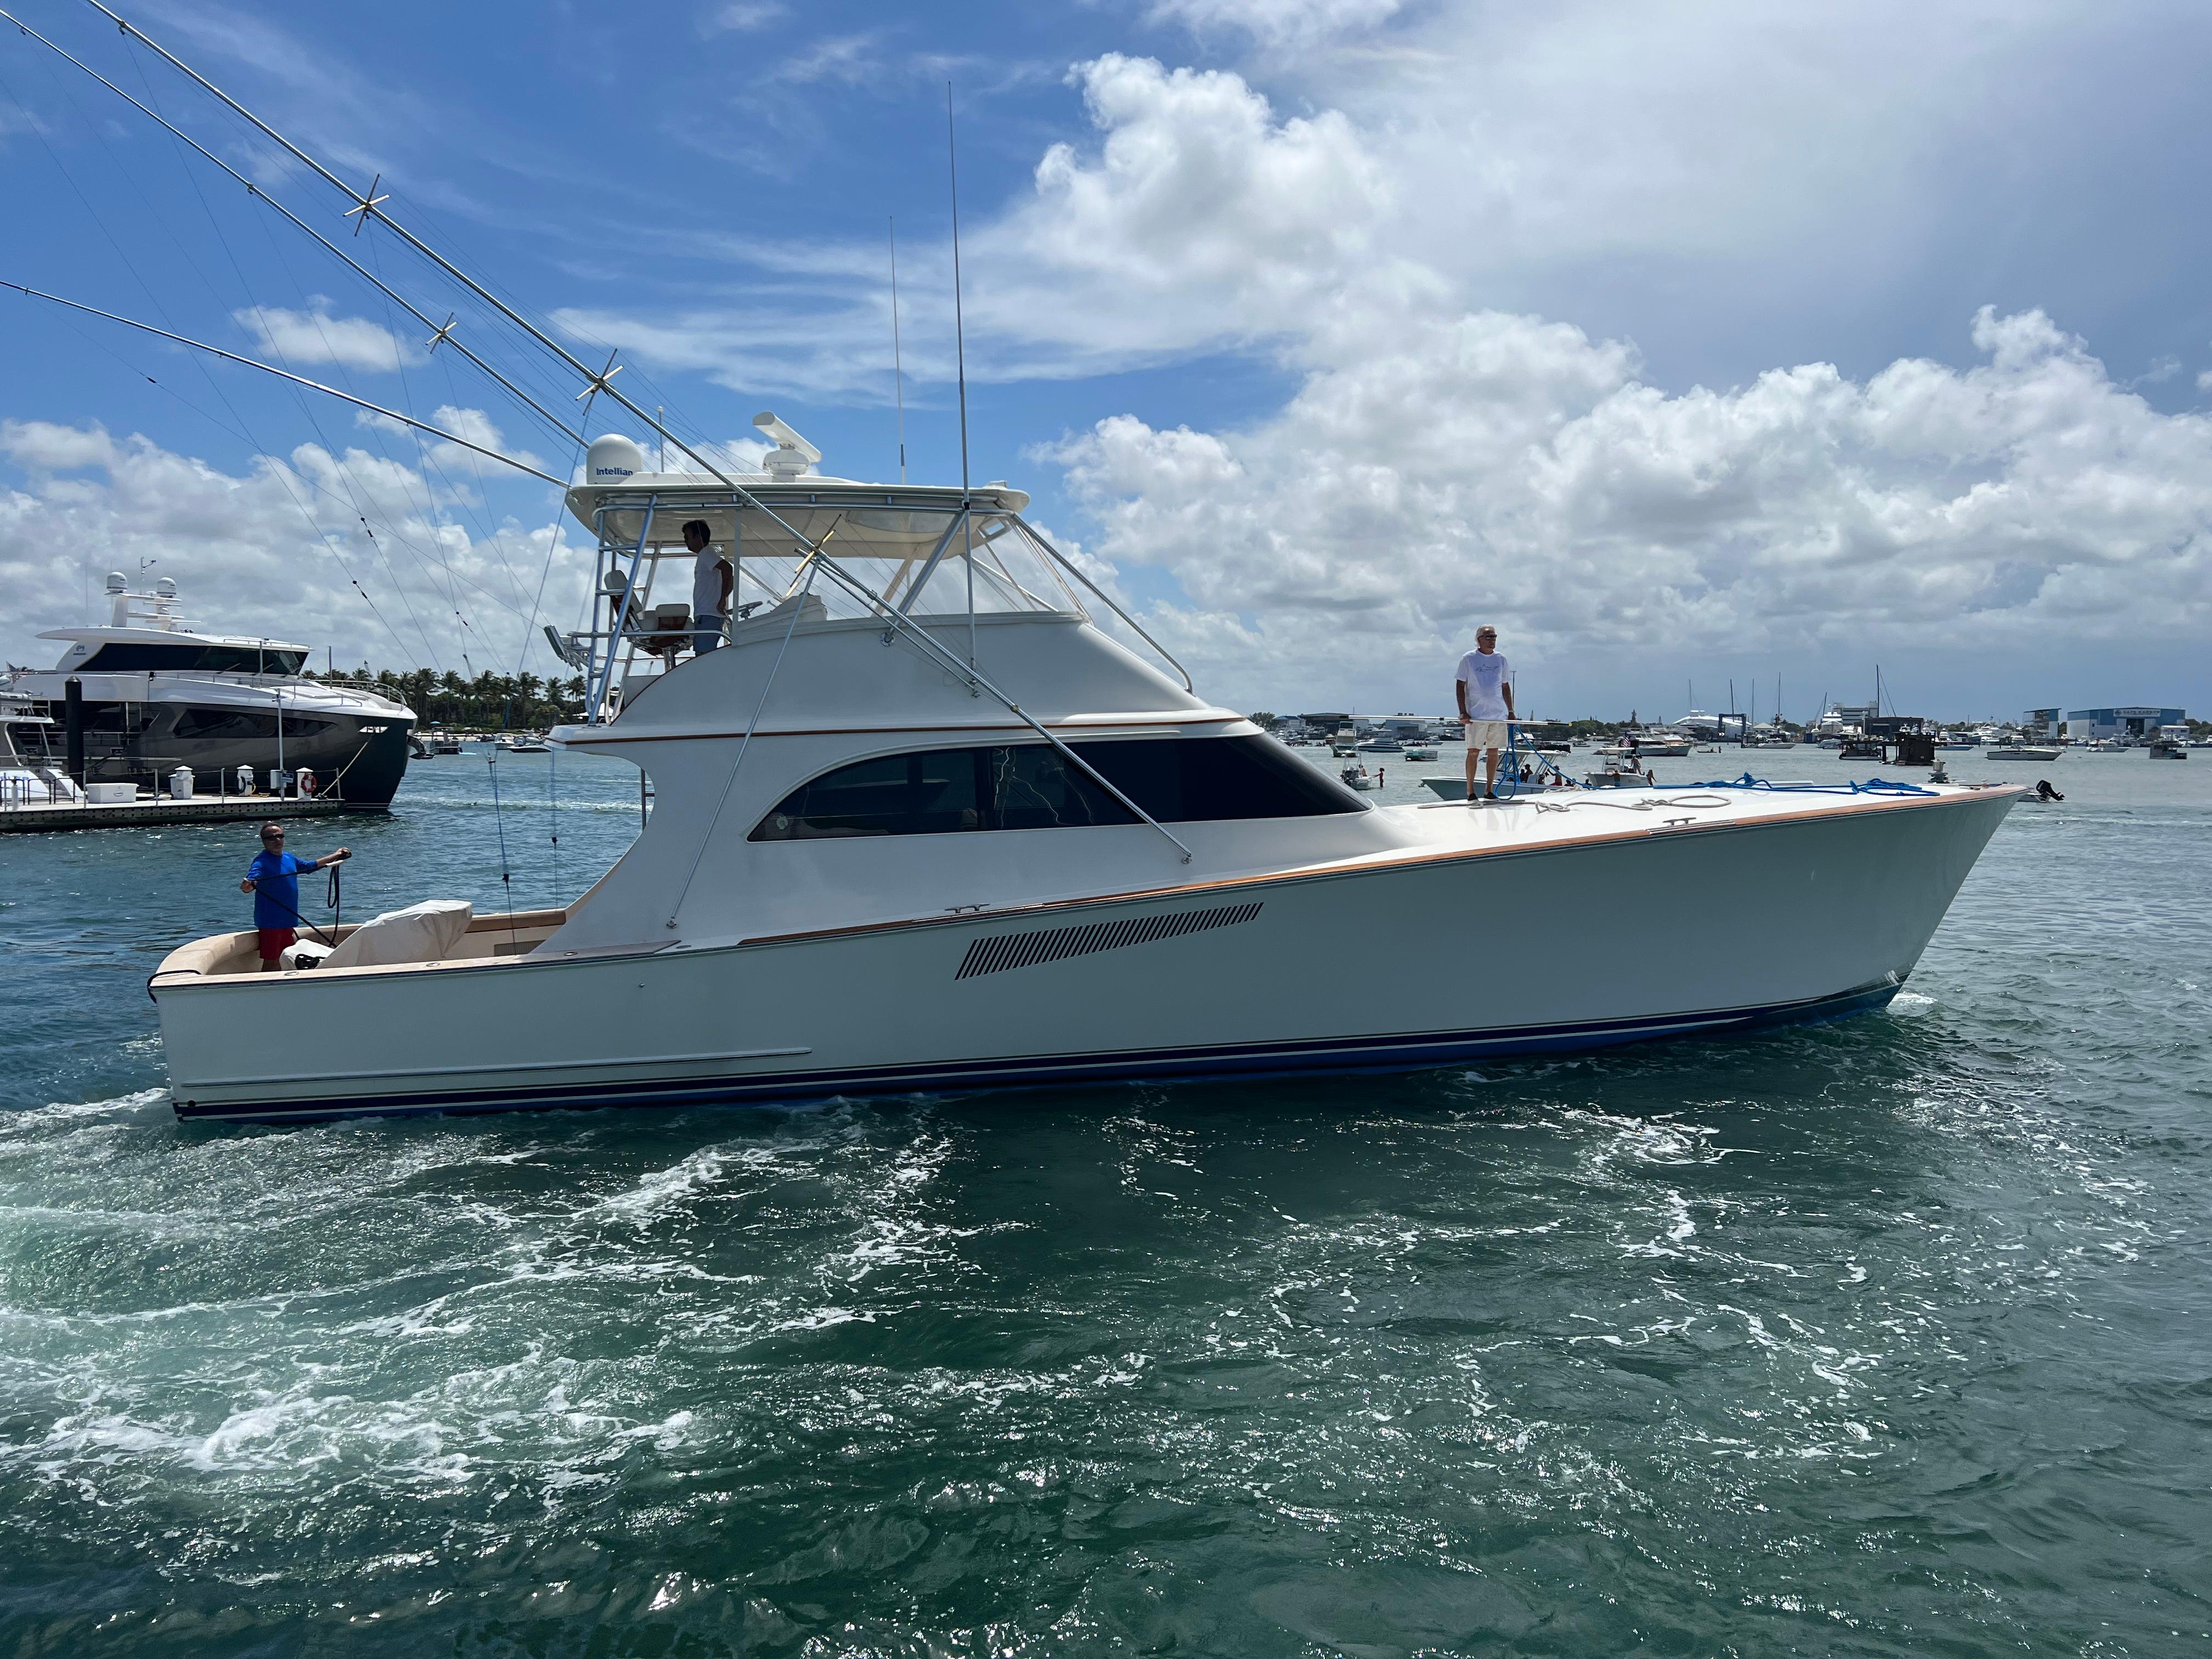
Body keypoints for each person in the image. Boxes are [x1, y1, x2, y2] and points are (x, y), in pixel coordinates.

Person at [240, 822, 349, 971]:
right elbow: (250, 884)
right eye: (271, 838)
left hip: (288, 919)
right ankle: (268, 990)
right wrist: (247, 886)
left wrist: (336, 855)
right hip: (270, 922)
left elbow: (309, 866)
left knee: (287, 956)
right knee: (272, 960)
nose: (277, 840)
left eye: (280, 836)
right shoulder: (261, 862)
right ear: (264, 841)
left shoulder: (289, 858)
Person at [1454, 625, 1515, 800]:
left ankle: (1490, 790)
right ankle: (1470, 791)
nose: (1492, 640)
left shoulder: (1501, 659)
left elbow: (1505, 686)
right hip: (1476, 715)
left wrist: (1510, 711)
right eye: (1488, 637)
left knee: (1494, 752)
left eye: (1494, 636)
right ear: (1479, 639)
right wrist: (1463, 711)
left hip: (1497, 714)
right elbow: (1460, 685)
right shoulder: (1469, 659)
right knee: (1473, 751)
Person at [685, 520, 733, 654]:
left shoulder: (706, 554)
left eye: (687, 537)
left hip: (708, 615)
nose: (685, 541)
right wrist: (722, 597)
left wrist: (723, 597)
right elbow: (731, 578)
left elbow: (727, 569)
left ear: (698, 537)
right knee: (704, 654)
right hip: (709, 615)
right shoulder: (706, 555)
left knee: (703, 655)